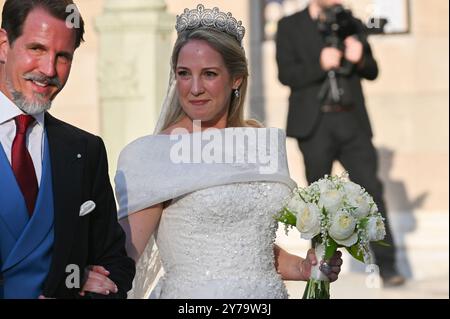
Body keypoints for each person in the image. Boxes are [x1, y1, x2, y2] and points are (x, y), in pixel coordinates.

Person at [115, 4, 342, 299]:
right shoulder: (155, 154)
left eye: (209, 74)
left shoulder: (260, 141)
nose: (194, 88)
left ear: (236, 79)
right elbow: (121, 258)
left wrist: (302, 268)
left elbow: (250, 249)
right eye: (184, 74)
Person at [0, 0, 135, 298]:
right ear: (3, 45)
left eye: (63, 56)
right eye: (37, 49)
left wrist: (74, 290)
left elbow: (115, 264)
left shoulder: (85, 150)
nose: (48, 70)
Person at [275, 0, 405, 286]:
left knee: (372, 192)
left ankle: (389, 266)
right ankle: (318, 269)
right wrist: (320, 64)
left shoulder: (351, 22)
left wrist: (360, 59)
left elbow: (372, 71)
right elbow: (287, 74)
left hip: (352, 122)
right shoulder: (289, 26)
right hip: (315, 124)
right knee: (317, 204)